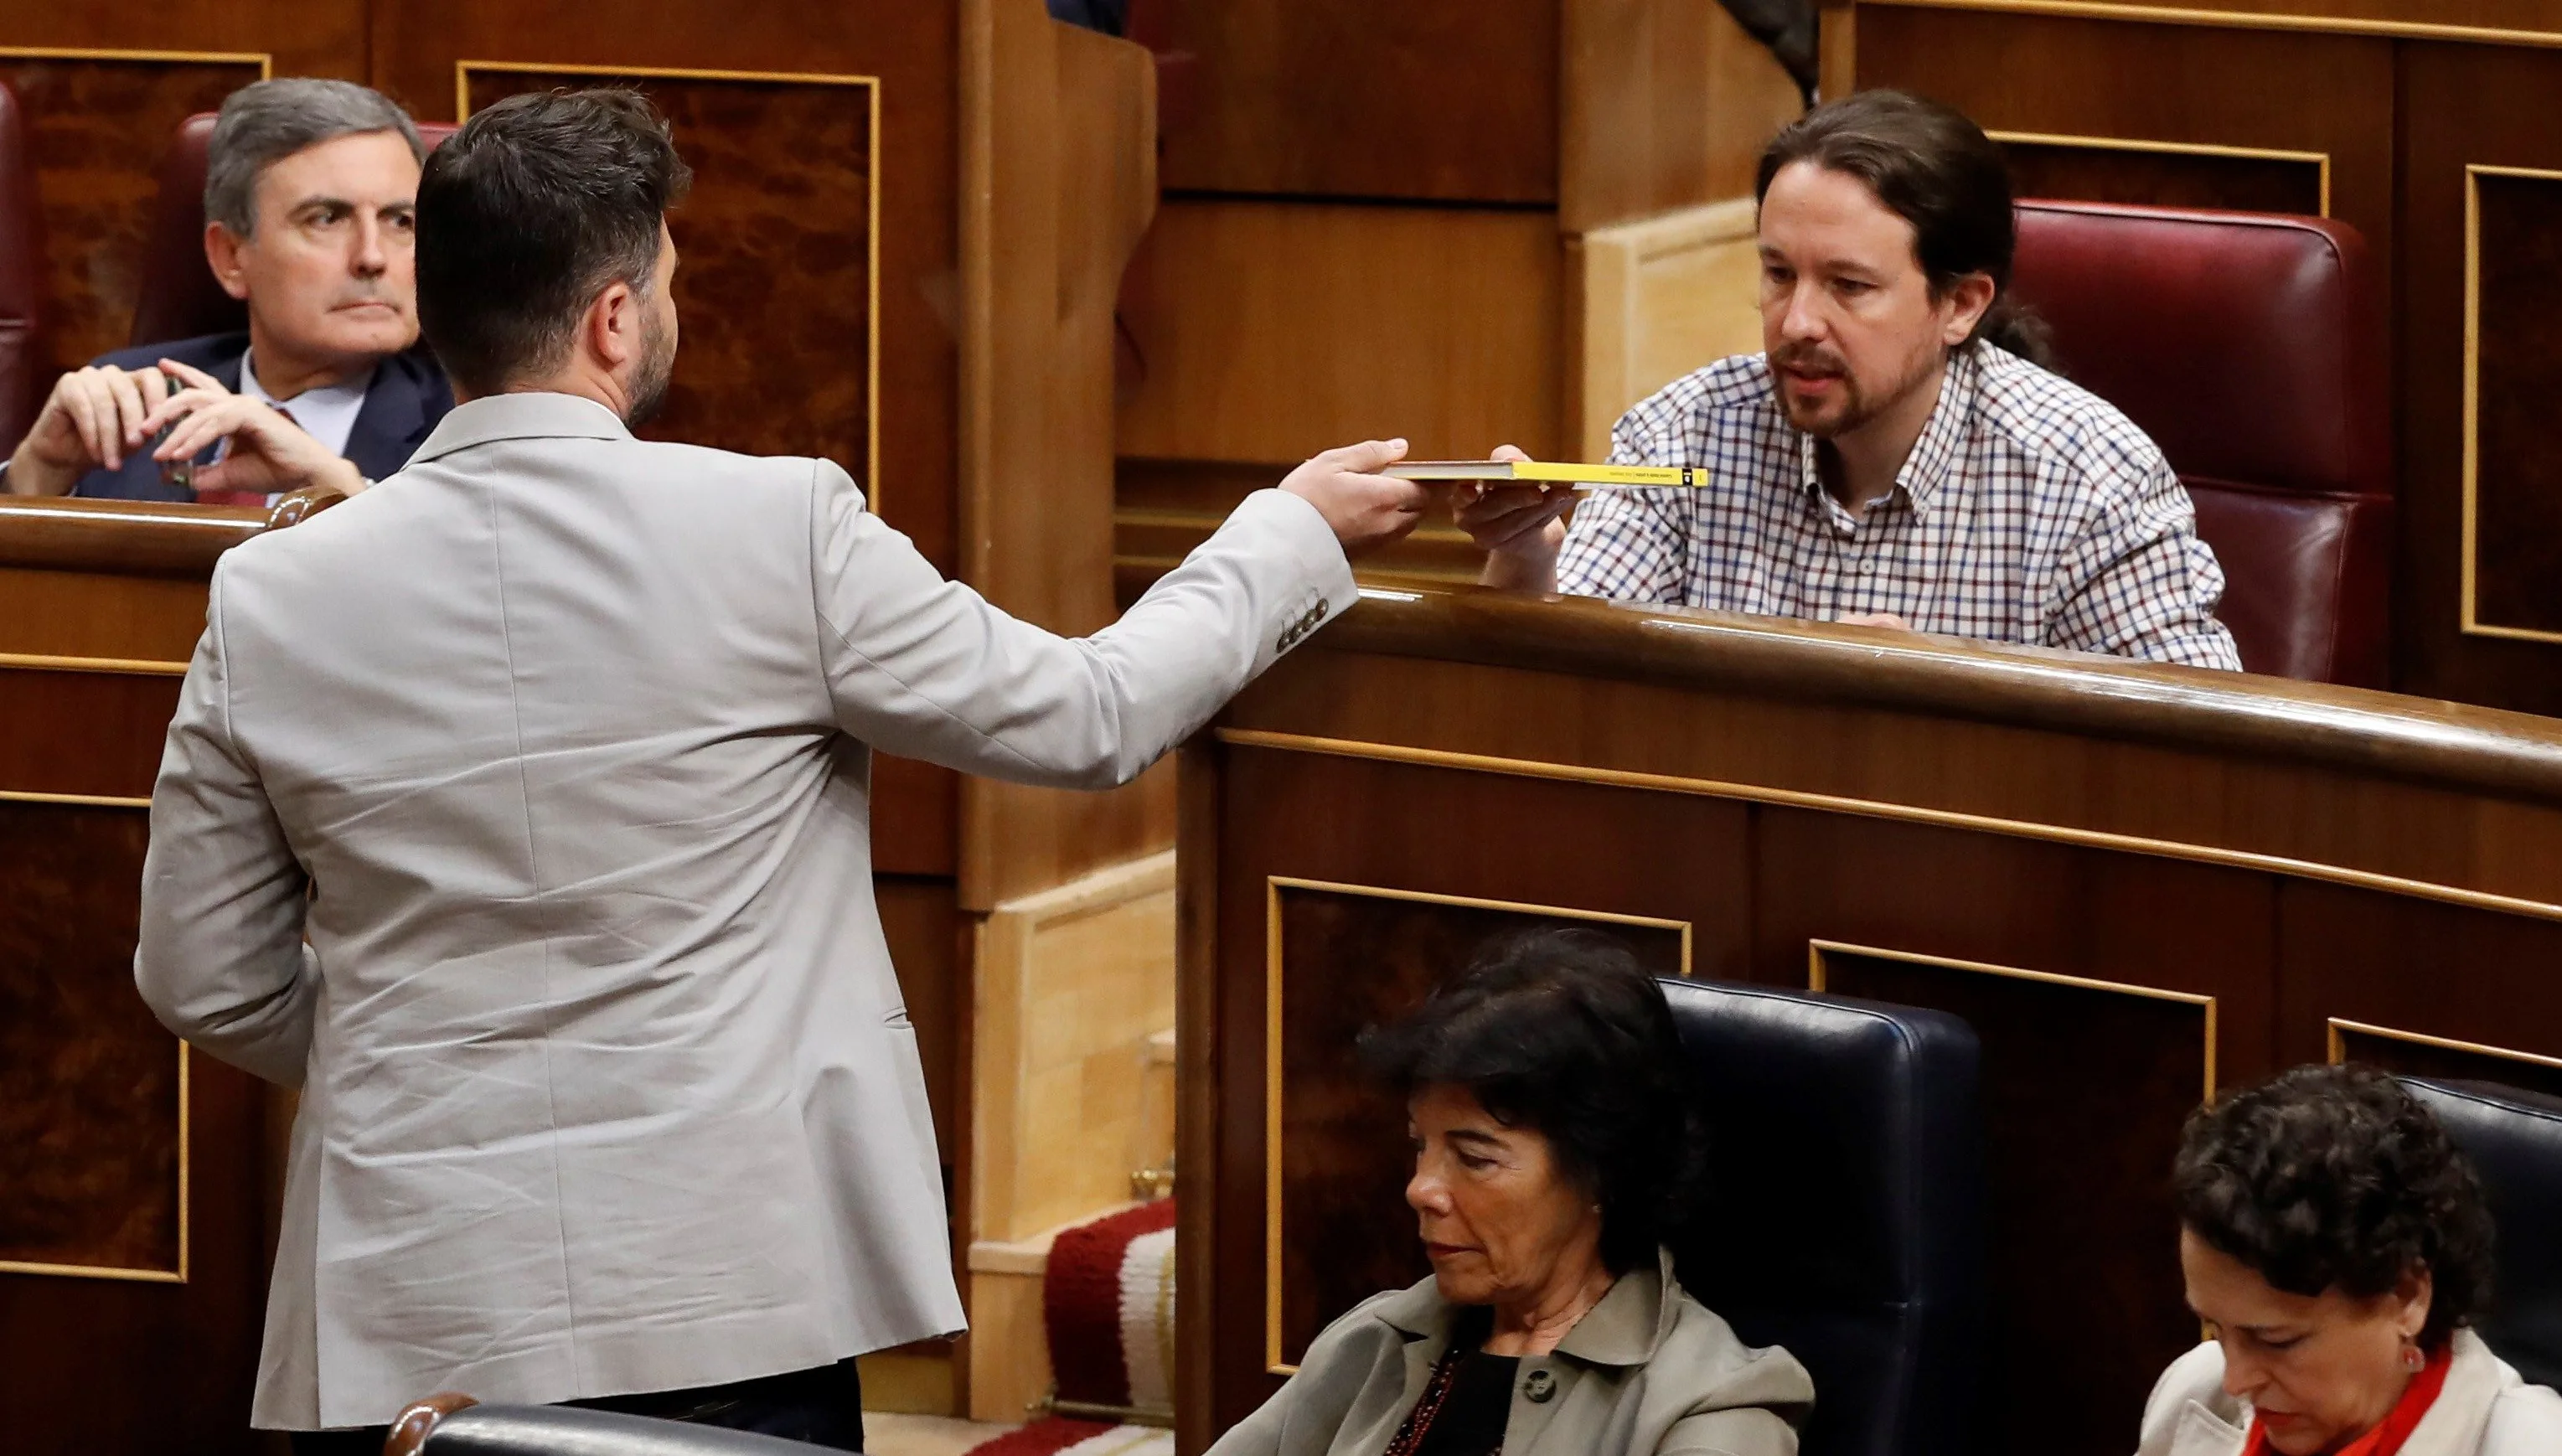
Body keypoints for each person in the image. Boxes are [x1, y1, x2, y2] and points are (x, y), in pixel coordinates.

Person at [130, 87, 1434, 1450]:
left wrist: (409, 1062)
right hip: (724, 1276)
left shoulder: (272, 592)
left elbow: (200, 972)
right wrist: (1285, 534)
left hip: (404, 1288)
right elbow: (1086, 714)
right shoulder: (779, 522)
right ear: (614, 316)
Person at [1453, 90, 2242, 671]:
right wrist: (1525, 563)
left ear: (1960, 304)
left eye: (1848, 286)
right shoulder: (1686, 433)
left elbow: (2197, 747)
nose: (1796, 322)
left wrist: (1953, 683)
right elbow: (1559, 688)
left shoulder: (2086, 477)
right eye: (1776, 273)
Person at [1210, 930, 1813, 1456]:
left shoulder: (1711, 1404)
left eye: (1474, 1158)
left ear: (1601, 1169)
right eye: (1421, 1145)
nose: (1421, 1189)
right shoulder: (1376, 1340)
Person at [2, 78, 448, 502]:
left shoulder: (466, 425)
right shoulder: (126, 407)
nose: (372, 257)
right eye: (326, 219)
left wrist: (345, 493)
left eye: (400, 222)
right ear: (231, 256)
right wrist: (33, 478)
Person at [2139, 1063, 2562, 1456]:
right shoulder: (2196, 1389)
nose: (2236, 1381)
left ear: (2407, 1295)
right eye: (2216, 1329)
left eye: (2276, 1340)